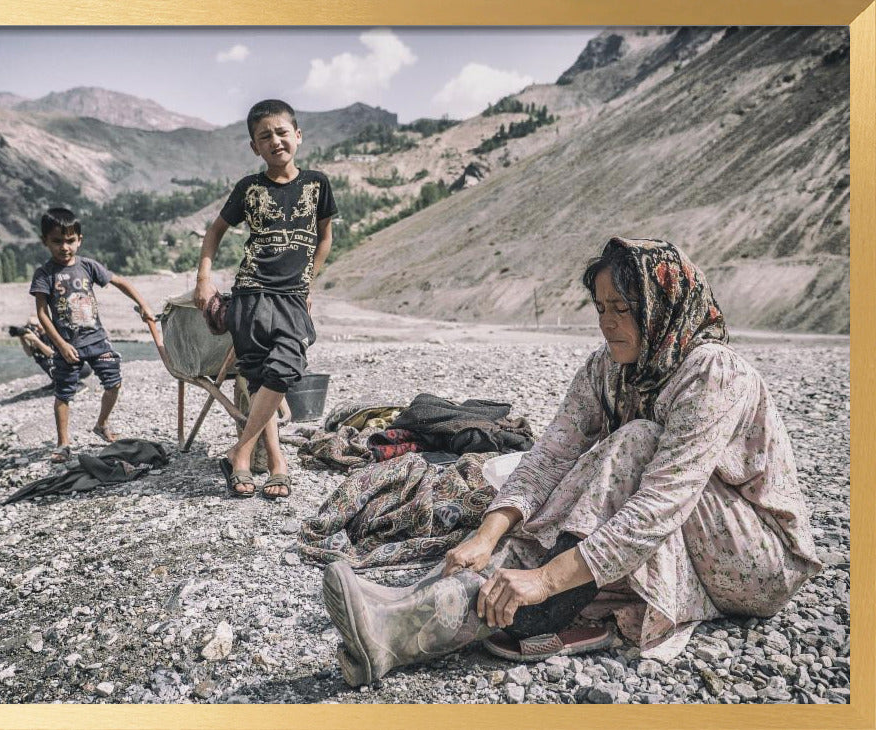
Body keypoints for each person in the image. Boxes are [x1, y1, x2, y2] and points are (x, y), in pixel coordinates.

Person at [322, 237, 822, 687]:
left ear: (662, 307)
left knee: (633, 444)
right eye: (600, 307)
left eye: (622, 308)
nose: (607, 322)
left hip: (756, 563)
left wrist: (545, 580)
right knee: (547, 510)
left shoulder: (713, 372)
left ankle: (543, 611)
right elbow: (550, 455)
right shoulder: (609, 367)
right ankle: (403, 623)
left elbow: (662, 503)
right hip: (682, 531)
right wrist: (487, 535)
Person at [194, 99, 337, 499]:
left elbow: (325, 237)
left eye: (281, 132)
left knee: (287, 365)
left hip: (291, 296)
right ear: (254, 146)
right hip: (252, 292)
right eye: (264, 136)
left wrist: (308, 283)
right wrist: (204, 279)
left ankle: (239, 452)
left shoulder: (317, 184)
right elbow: (214, 232)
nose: (275, 141)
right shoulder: (249, 188)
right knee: (260, 378)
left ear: (298, 136)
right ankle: (276, 462)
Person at [30, 207, 156, 463]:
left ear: (79, 240)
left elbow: (120, 282)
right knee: (63, 394)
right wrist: (61, 345)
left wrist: (143, 305)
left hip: (97, 340)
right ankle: (63, 444)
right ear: (45, 241)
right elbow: (42, 314)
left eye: (70, 240)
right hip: (68, 347)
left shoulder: (87, 266)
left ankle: (101, 424)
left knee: (114, 383)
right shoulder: (44, 274)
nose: (64, 247)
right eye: (57, 241)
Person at [10, 316, 92, 385]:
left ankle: (76, 384)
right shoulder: (36, 339)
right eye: (30, 326)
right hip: (59, 372)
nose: (35, 328)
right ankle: (56, 382)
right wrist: (22, 338)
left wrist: (36, 340)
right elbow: (29, 353)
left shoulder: (52, 336)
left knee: (57, 360)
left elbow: (52, 354)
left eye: (36, 325)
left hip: (80, 369)